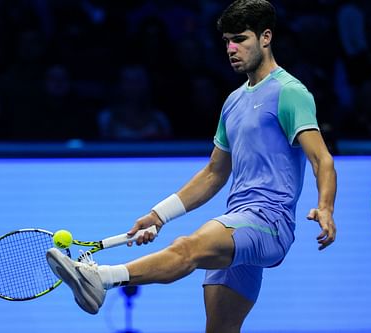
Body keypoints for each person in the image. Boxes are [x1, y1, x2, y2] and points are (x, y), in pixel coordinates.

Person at [46, 1, 337, 332]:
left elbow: (322, 159)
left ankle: (102, 278)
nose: (231, 48)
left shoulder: (290, 93)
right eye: (227, 40)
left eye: (240, 39)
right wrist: (159, 215)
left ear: (265, 37)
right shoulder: (233, 102)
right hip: (238, 224)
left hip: (268, 224)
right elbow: (214, 174)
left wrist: (325, 207)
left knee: (188, 248)